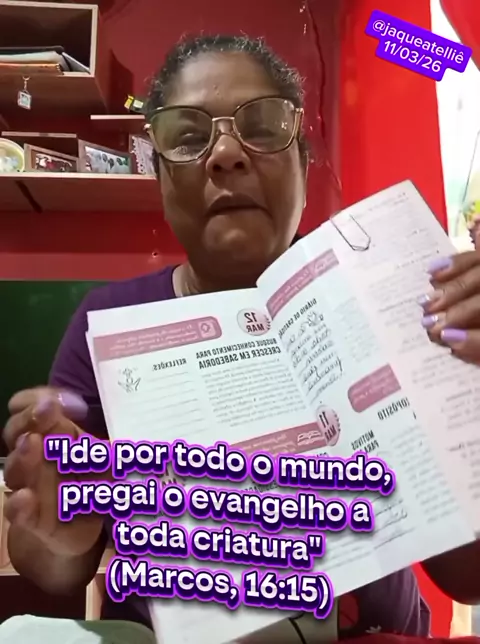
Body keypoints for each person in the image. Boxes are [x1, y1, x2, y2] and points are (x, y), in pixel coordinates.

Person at [3, 33, 480, 644]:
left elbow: (467, 576)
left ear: (304, 163)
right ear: (160, 177)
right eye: (187, 137)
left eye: (262, 127)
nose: (226, 154)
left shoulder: (398, 298)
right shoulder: (106, 323)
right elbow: (51, 570)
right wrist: (58, 534)